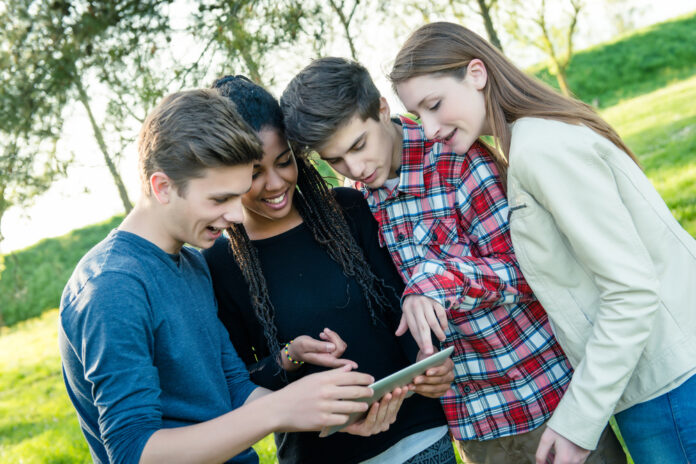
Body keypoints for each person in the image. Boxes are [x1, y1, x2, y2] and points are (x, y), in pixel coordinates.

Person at [280, 57, 625, 464]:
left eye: (358, 145)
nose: (354, 167)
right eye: (334, 160)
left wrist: (438, 279)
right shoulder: (358, 197)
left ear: (382, 110)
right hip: (472, 426)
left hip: (543, 399)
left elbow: (528, 273)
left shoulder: (457, 160)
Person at [388, 21, 696, 464]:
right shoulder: (535, 136)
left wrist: (576, 422)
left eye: (435, 105)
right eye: (419, 116)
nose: (431, 128)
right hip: (656, 380)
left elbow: (631, 291)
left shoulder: (540, 148)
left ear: (476, 73)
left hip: (666, 388)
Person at [58, 89, 386, 464]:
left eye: (238, 195)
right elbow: (134, 450)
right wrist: (279, 410)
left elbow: (233, 388)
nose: (236, 216)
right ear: (162, 187)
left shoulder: (193, 264)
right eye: (219, 200)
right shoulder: (111, 286)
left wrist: (326, 412)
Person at [202, 75, 456, 464]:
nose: (275, 183)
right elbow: (234, 382)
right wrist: (289, 357)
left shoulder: (349, 210)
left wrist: (429, 365)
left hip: (418, 438)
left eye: (284, 161)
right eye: (254, 173)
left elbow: (398, 304)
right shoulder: (220, 263)